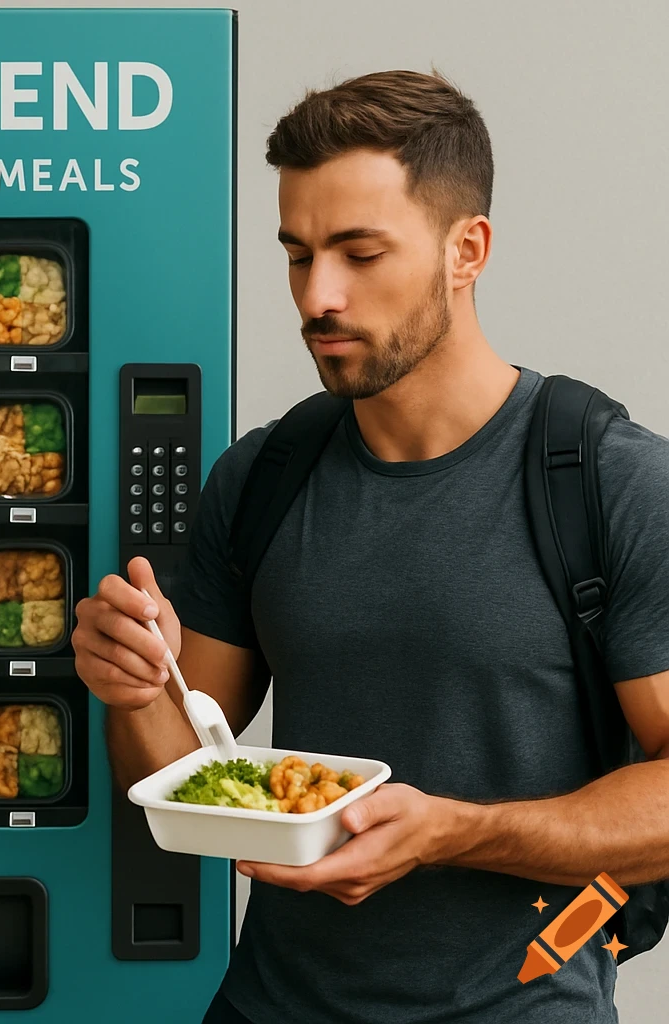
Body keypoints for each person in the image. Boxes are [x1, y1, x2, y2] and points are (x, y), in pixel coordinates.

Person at [70, 68, 669, 1024]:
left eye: (358, 252)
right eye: (298, 254)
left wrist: (450, 833)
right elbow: (177, 770)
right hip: (269, 1005)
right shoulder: (263, 477)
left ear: (466, 249)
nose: (319, 295)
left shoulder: (611, 482)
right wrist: (132, 684)